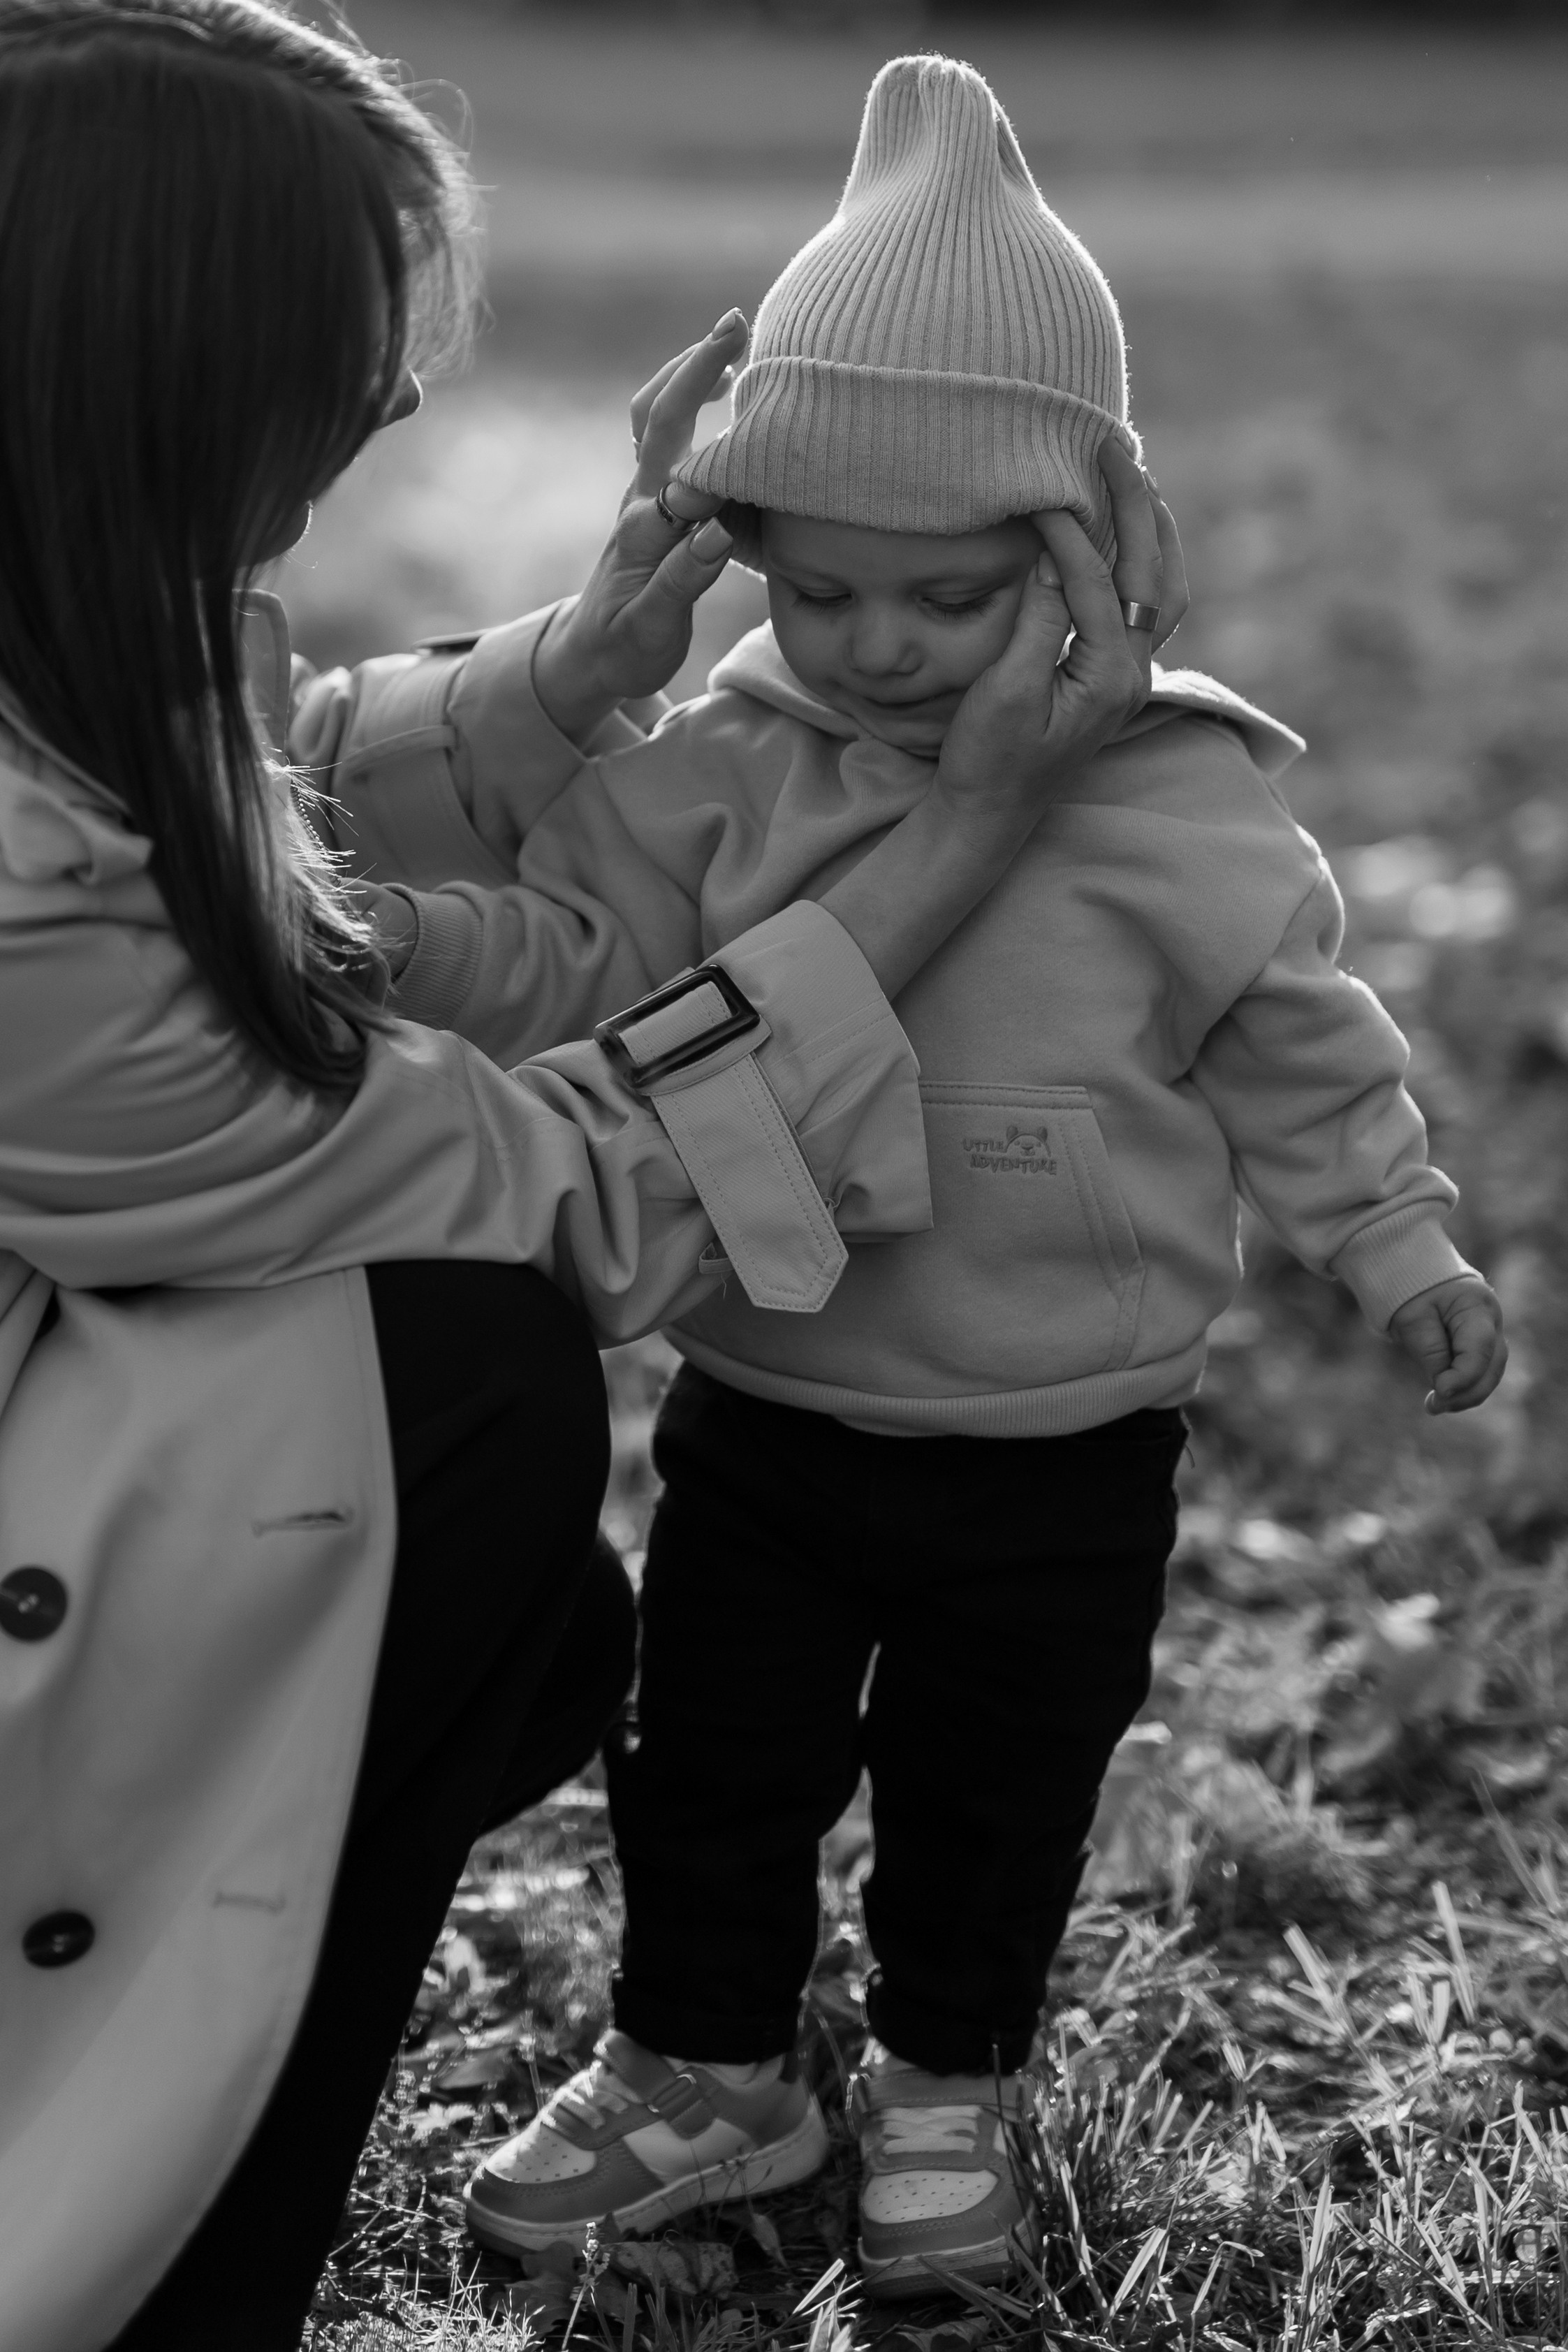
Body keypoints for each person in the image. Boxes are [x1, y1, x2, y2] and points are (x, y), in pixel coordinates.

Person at [0, 14, 1164, 2351]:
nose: (401, 404)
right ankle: (132, 2226)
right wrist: (949, 840)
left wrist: (589, 665)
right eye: (345, 341)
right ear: (149, 357)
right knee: (454, 1376)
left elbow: (259, 839)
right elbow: (542, 1184)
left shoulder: (69, 631)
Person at [328, 54, 1509, 2300]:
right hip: (776, 1401)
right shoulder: (727, 770)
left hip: (1067, 1431)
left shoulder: (1176, 806)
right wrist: (393, 941)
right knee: (714, 1772)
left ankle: (950, 2077)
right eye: (827, 591)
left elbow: (1300, 1045)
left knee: (1001, 1787)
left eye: (945, 601)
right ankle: (704, 2066)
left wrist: (1399, 1237)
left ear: (1089, 558)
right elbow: (591, 960)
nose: (874, 650)